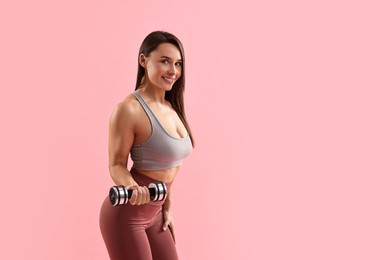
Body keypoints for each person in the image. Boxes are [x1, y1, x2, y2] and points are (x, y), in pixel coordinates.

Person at [99, 31, 194, 260]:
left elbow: (171, 167)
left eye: (178, 63)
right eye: (165, 61)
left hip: (156, 213)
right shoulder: (128, 109)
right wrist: (131, 187)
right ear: (143, 60)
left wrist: (166, 207)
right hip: (127, 213)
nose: (173, 71)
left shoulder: (172, 108)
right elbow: (116, 165)